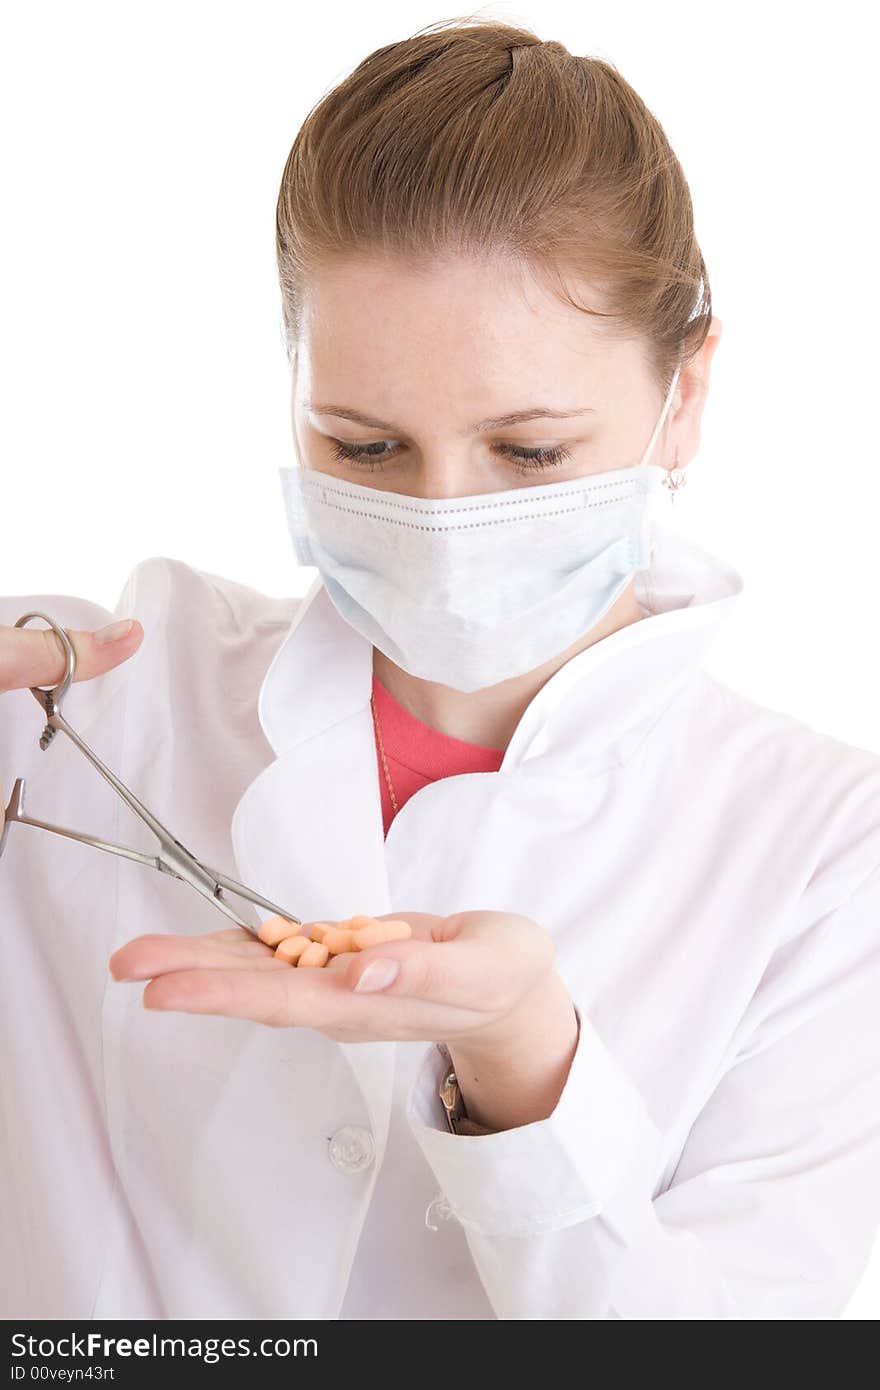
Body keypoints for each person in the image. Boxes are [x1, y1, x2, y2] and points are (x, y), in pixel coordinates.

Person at [2, 17, 879, 1322]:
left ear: (685, 394)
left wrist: (527, 1065)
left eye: (528, 454)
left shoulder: (821, 852)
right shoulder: (74, 713)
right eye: (364, 446)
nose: (443, 518)